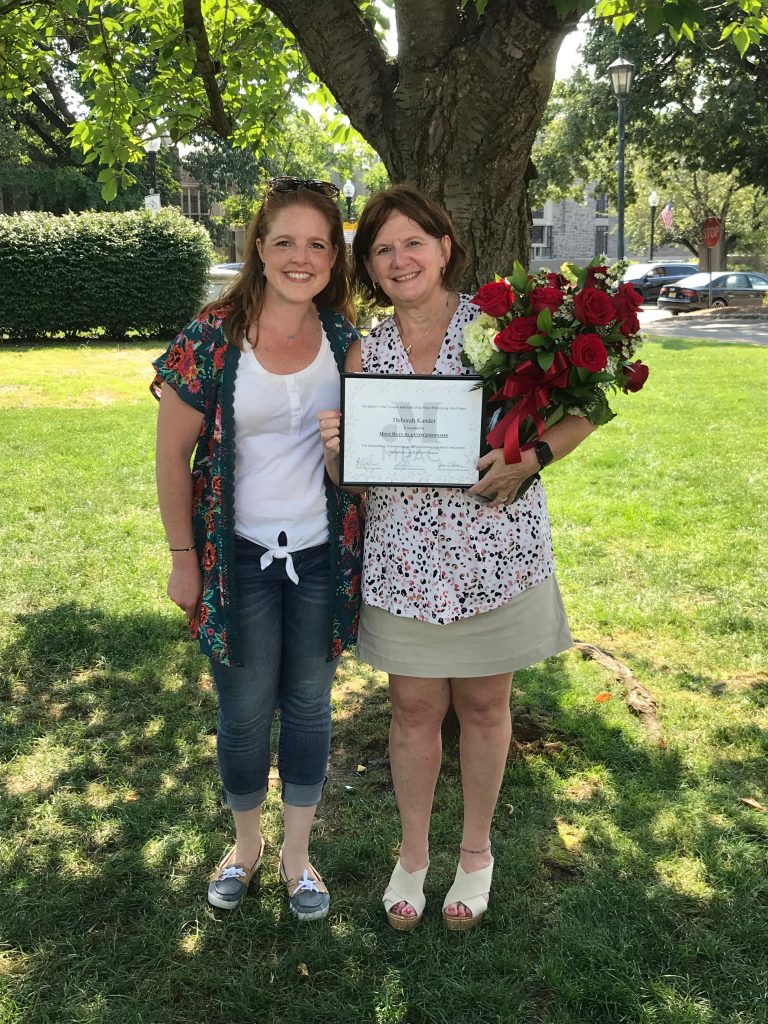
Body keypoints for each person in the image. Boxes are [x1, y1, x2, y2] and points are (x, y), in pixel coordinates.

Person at [319, 185, 595, 931]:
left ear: (445, 246)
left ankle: (475, 853)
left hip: (492, 555)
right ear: (370, 269)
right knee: (412, 709)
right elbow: (359, 477)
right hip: (404, 558)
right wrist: (341, 457)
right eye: (382, 250)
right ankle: (413, 854)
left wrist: (529, 458)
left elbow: (587, 411)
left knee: (482, 707)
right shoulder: (364, 348)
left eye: (414, 242)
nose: (400, 259)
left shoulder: (504, 330)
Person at [151, 176, 363, 921]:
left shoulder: (345, 340)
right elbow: (171, 455)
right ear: (259, 250)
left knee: (307, 707)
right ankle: (245, 848)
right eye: (285, 242)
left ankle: (298, 857)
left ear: (335, 257)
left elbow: (354, 472)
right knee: (243, 713)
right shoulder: (211, 337)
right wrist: (184, 558)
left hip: (317, 558)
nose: (300, 258)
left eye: (318, 244)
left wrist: (344, 459)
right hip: (234, 556)